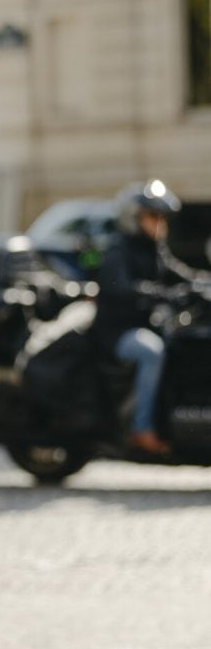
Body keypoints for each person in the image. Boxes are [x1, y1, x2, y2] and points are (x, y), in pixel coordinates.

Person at [93, 180, 192, 455]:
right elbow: (123, 288)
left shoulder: (155, 248)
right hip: (117, 333)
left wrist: (202, 282)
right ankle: (141, 428)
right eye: (153, 215)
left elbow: (180, 273)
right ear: (134, 217)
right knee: (153, 352)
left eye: (162, 216)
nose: (160, 222)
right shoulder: (118, 250)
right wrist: (160, 294)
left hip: (145, 323)